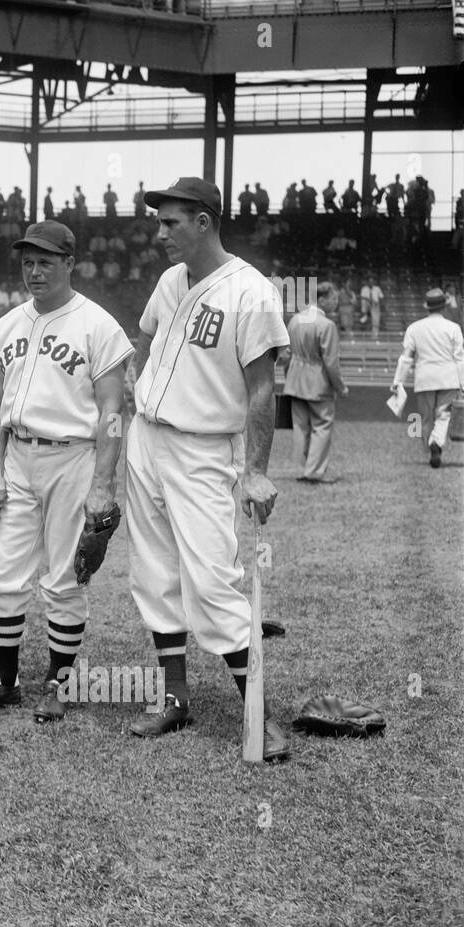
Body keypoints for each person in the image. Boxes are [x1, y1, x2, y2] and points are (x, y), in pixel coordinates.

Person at [125, 179, 291, 761]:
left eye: (171, 222)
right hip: (147, 437)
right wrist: (140, 392)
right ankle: (174, 697)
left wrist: (258, 470)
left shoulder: (252, 292)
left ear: (203, 222)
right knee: (153, 572)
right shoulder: (171, 280)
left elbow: (263, 389)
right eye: (159, 221)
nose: (160, 232)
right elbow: (146, 340)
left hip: (203, 448)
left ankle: (259, 717)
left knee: (213, 581)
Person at [0, 221, 131, 719]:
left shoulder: (99, 326)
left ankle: (58, 681)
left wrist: (103, 484)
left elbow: (114, 411)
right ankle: (3, 681)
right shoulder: (6, 325)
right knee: (0, 574)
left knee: (65, 577)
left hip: (74, 457)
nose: (34, 271)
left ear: (70, 263)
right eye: (28, 262)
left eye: (46, 261)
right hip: (17, 458)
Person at [393, 289, 464, 469]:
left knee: (426, 418)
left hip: (425, 378)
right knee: (444, 415)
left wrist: (397, 381)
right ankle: (437, 443)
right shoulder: (453, 328)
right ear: (443, 306)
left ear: (427, 307)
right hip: (448, 377)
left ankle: (430, 446)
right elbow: (460, 358)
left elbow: (407, 357)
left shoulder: (414, 328)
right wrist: (463, 383)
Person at [282, 282, 348, 483]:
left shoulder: (294, 320)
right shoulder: (326, 325)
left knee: (301, 426)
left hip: (294, 380)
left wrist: (288, 377)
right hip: (318, 383)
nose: (336, 303)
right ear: (321, 299)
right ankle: (314, 472)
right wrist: (340, 386)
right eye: (334, 299)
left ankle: (301, 469)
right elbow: (330, 361)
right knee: (322, 426)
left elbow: (286, 355)